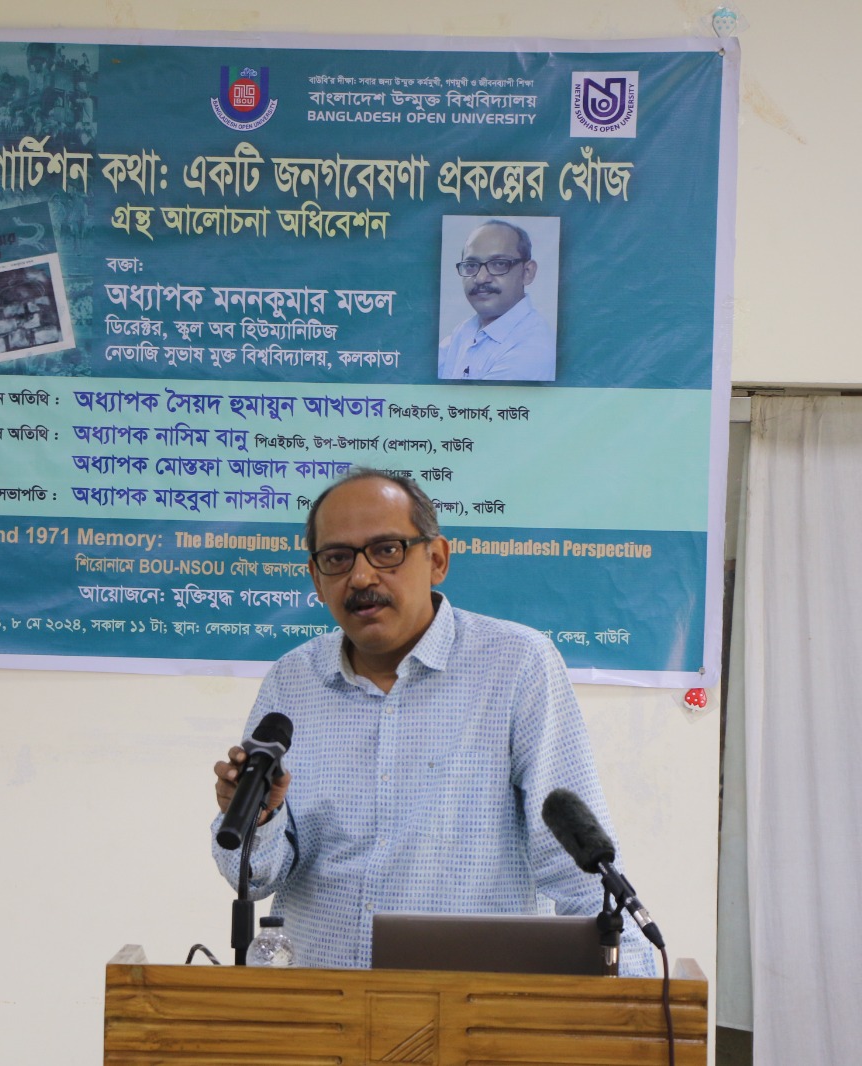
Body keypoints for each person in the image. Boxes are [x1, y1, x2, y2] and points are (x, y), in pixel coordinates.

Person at [211, 470, 653, 973]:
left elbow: (575, 864)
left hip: (468, 1002)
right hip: (321, 1000)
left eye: (387, 550)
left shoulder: (516, 666)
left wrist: (633, 994)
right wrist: (258, 817)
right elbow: (255, 876)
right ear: (316, 579)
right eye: (337, 559)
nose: (361, 578)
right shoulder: (292, 680)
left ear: (437, 559)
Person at [437, 220, 557, 382]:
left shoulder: (533, 349)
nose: (480, 278)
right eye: (471, 265)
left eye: (499, 264)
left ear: (527, 272)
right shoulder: (466, 329)